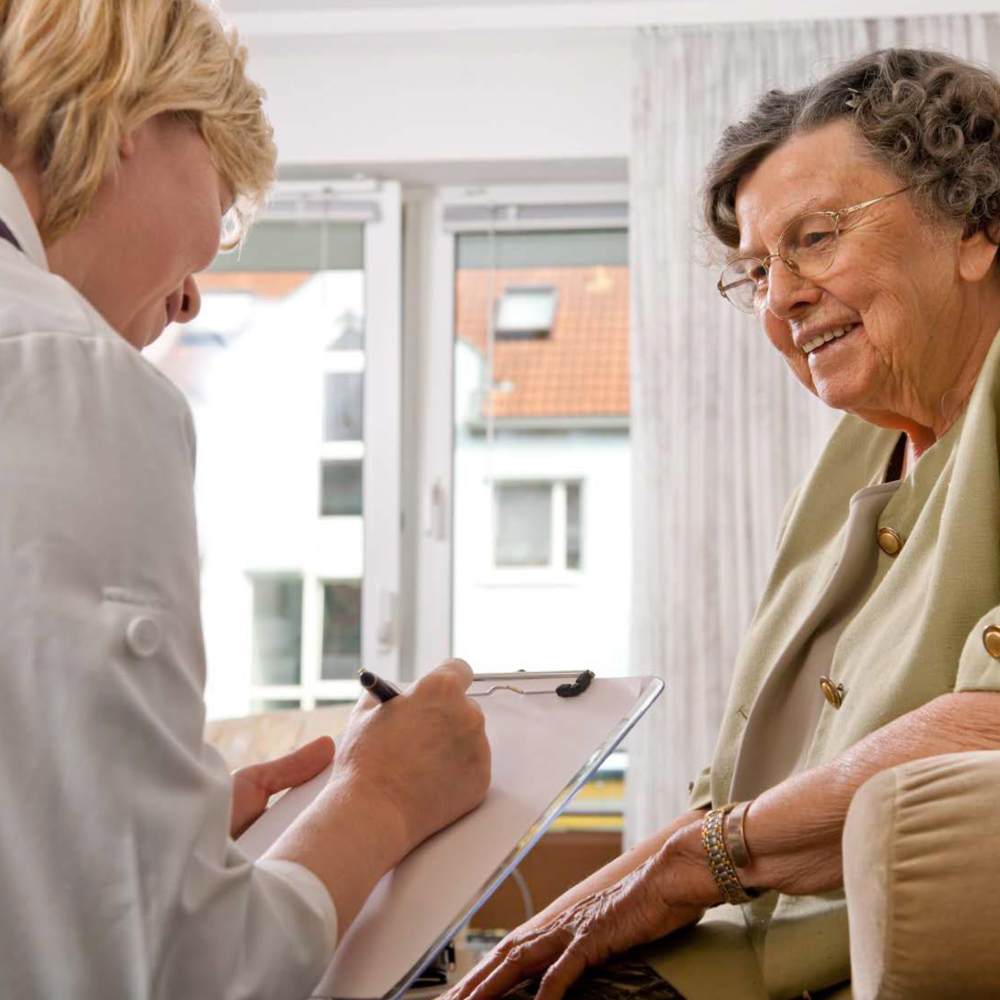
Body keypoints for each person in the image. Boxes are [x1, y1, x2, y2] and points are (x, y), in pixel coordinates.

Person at [443, 46, 1000, 1000]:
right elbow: (727, 800)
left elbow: (985, 727)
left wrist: (698, 862)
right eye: (757, 271)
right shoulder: (852, 460)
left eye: (817, 238)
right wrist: (542, 934)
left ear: (977, 225)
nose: (779, 300)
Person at [0, 2, 490, 998]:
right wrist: (380, 797)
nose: (190, 300)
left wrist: (119, 833)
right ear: (135, 111)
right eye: (221, 207)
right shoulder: (62, 373)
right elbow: (174, 972)